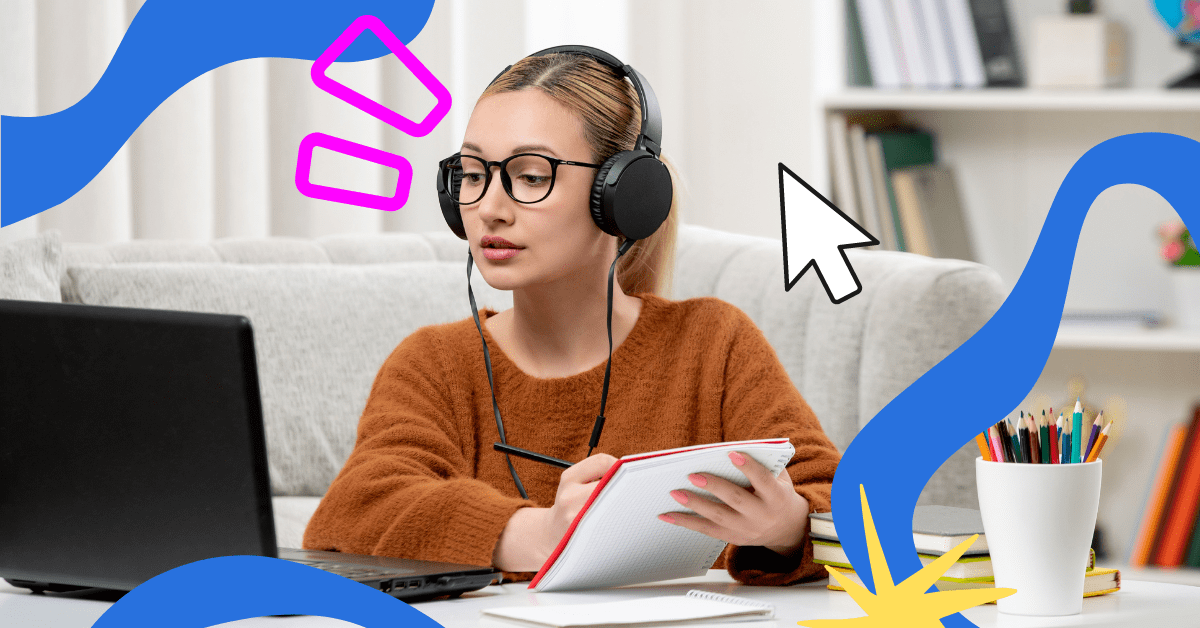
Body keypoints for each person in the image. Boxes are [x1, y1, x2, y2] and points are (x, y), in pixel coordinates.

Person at [303, 47, 841, 587]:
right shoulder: (435, 363)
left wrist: (788, 526)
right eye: (472, 174)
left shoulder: (712, 345)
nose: (489, 206)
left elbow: (845, 507)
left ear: (624, 194)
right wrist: (540, 533)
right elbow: (354, 511)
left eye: (531, 176)